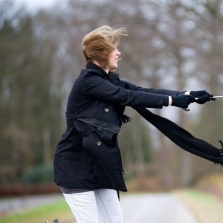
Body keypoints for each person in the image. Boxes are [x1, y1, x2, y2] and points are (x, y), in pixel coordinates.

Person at [53, 25, 214, 223]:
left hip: (100, 164)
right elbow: (128, 96)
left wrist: (186, 95)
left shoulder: (109, 80)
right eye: (114, 49)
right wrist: (173, 102)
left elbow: (143, 91)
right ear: (102, 53)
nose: (118, 53)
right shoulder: (88, 81)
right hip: (76, 166)